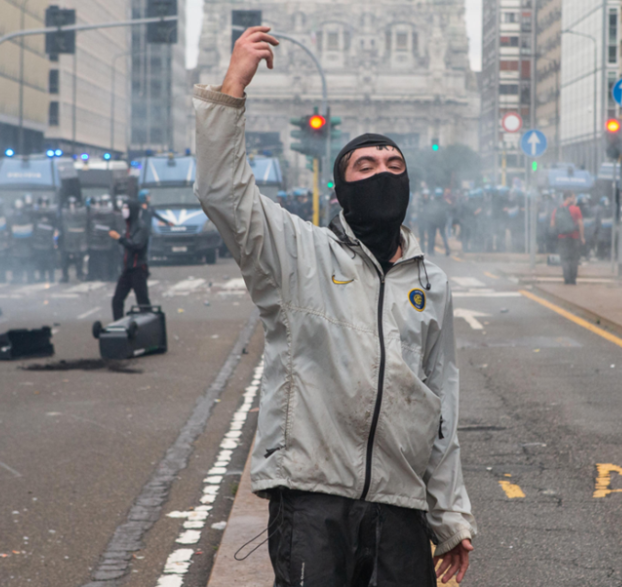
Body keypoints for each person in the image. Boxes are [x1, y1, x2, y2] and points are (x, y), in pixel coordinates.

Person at [195, 26, 476, 586]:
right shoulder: (299, 254)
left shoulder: (431, 282)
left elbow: (440, 407)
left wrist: (449, 516)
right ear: (341, 191)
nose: (382, 175)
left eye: (394, 166)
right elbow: (223, 191)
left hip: (400, 504)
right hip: (313, 499)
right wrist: (232, 88)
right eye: (365, 167)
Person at [108, 198, 150, 320]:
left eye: (126, 208)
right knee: (117, 300)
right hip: (127, 270)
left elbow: (137, 245)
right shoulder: (126, 226)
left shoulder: (141, 227)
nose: (124, 211)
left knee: (142, 302)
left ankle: (148, 327)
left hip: (138, 269)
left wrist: (119, 238)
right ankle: (119, 325)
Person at [553, 192, 584, 285]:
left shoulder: (557, 210)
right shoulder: (576, 209)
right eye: (573, 197)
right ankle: (572, 280)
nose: (575, 200)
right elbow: (581, 224)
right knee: (574, 259)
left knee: (564, 259)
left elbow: (552, 224)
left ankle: (566, 279)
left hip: (562, 238)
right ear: (569, 198)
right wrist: (582, 237)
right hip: (574, 237)